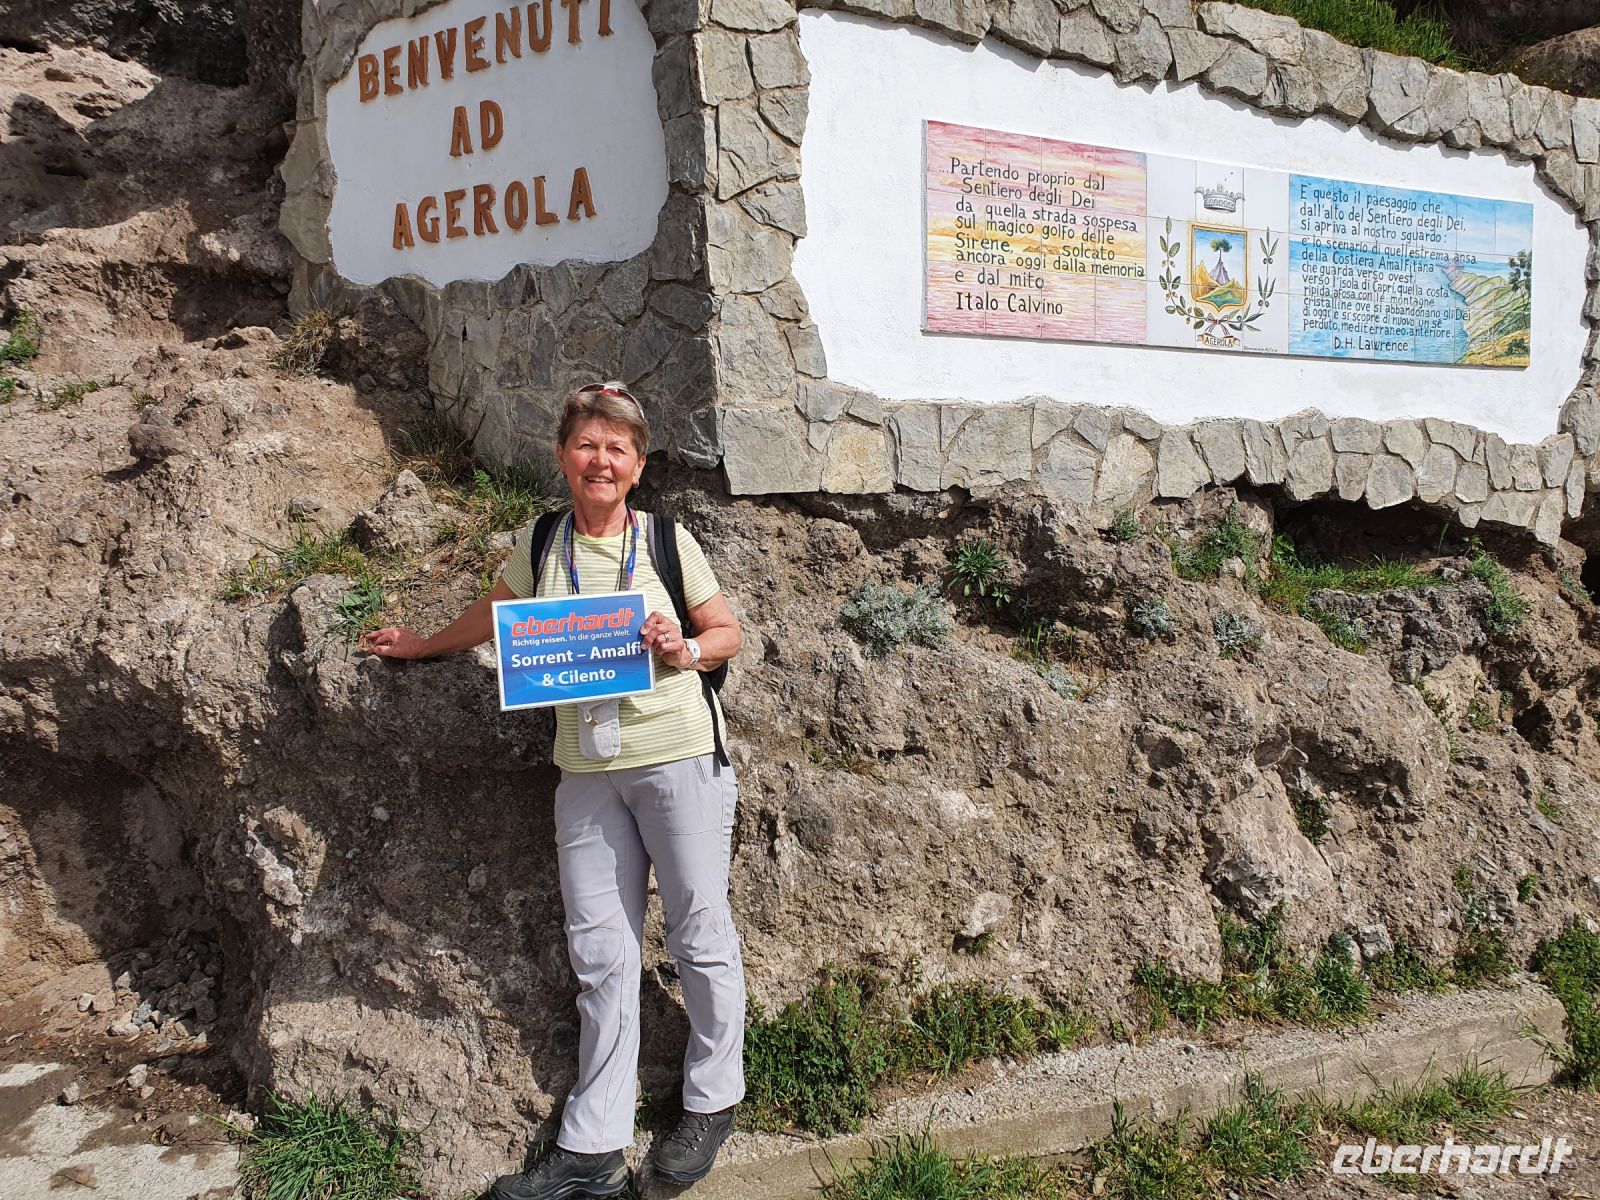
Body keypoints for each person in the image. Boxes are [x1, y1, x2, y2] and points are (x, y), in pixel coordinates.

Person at [361, 382, 746, 1199]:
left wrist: (684, 647)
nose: (600, 460)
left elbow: (727, 633)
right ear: (564, 457)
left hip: (678, 754)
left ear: (638, 465)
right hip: (585, 769)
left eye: (617, 448)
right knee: (599, 952)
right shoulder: (541, 543)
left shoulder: (668, 541)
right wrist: (423, 645)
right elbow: (495, 613)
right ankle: (594, 1146)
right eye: (587, 445)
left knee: (699, 931)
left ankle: (713, 1100)